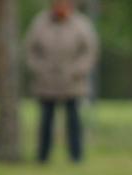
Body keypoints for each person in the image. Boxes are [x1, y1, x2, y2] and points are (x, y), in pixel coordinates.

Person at [24, 0, 99, 163]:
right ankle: (42, 157)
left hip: (73, 82)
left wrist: (78, 71)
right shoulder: (40, 23)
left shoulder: (81, 25)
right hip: (46, 82)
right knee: (46, 121)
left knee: (73, 121)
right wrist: (40, 69)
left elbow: (90, 52)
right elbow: (30, 50)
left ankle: (76, 157)